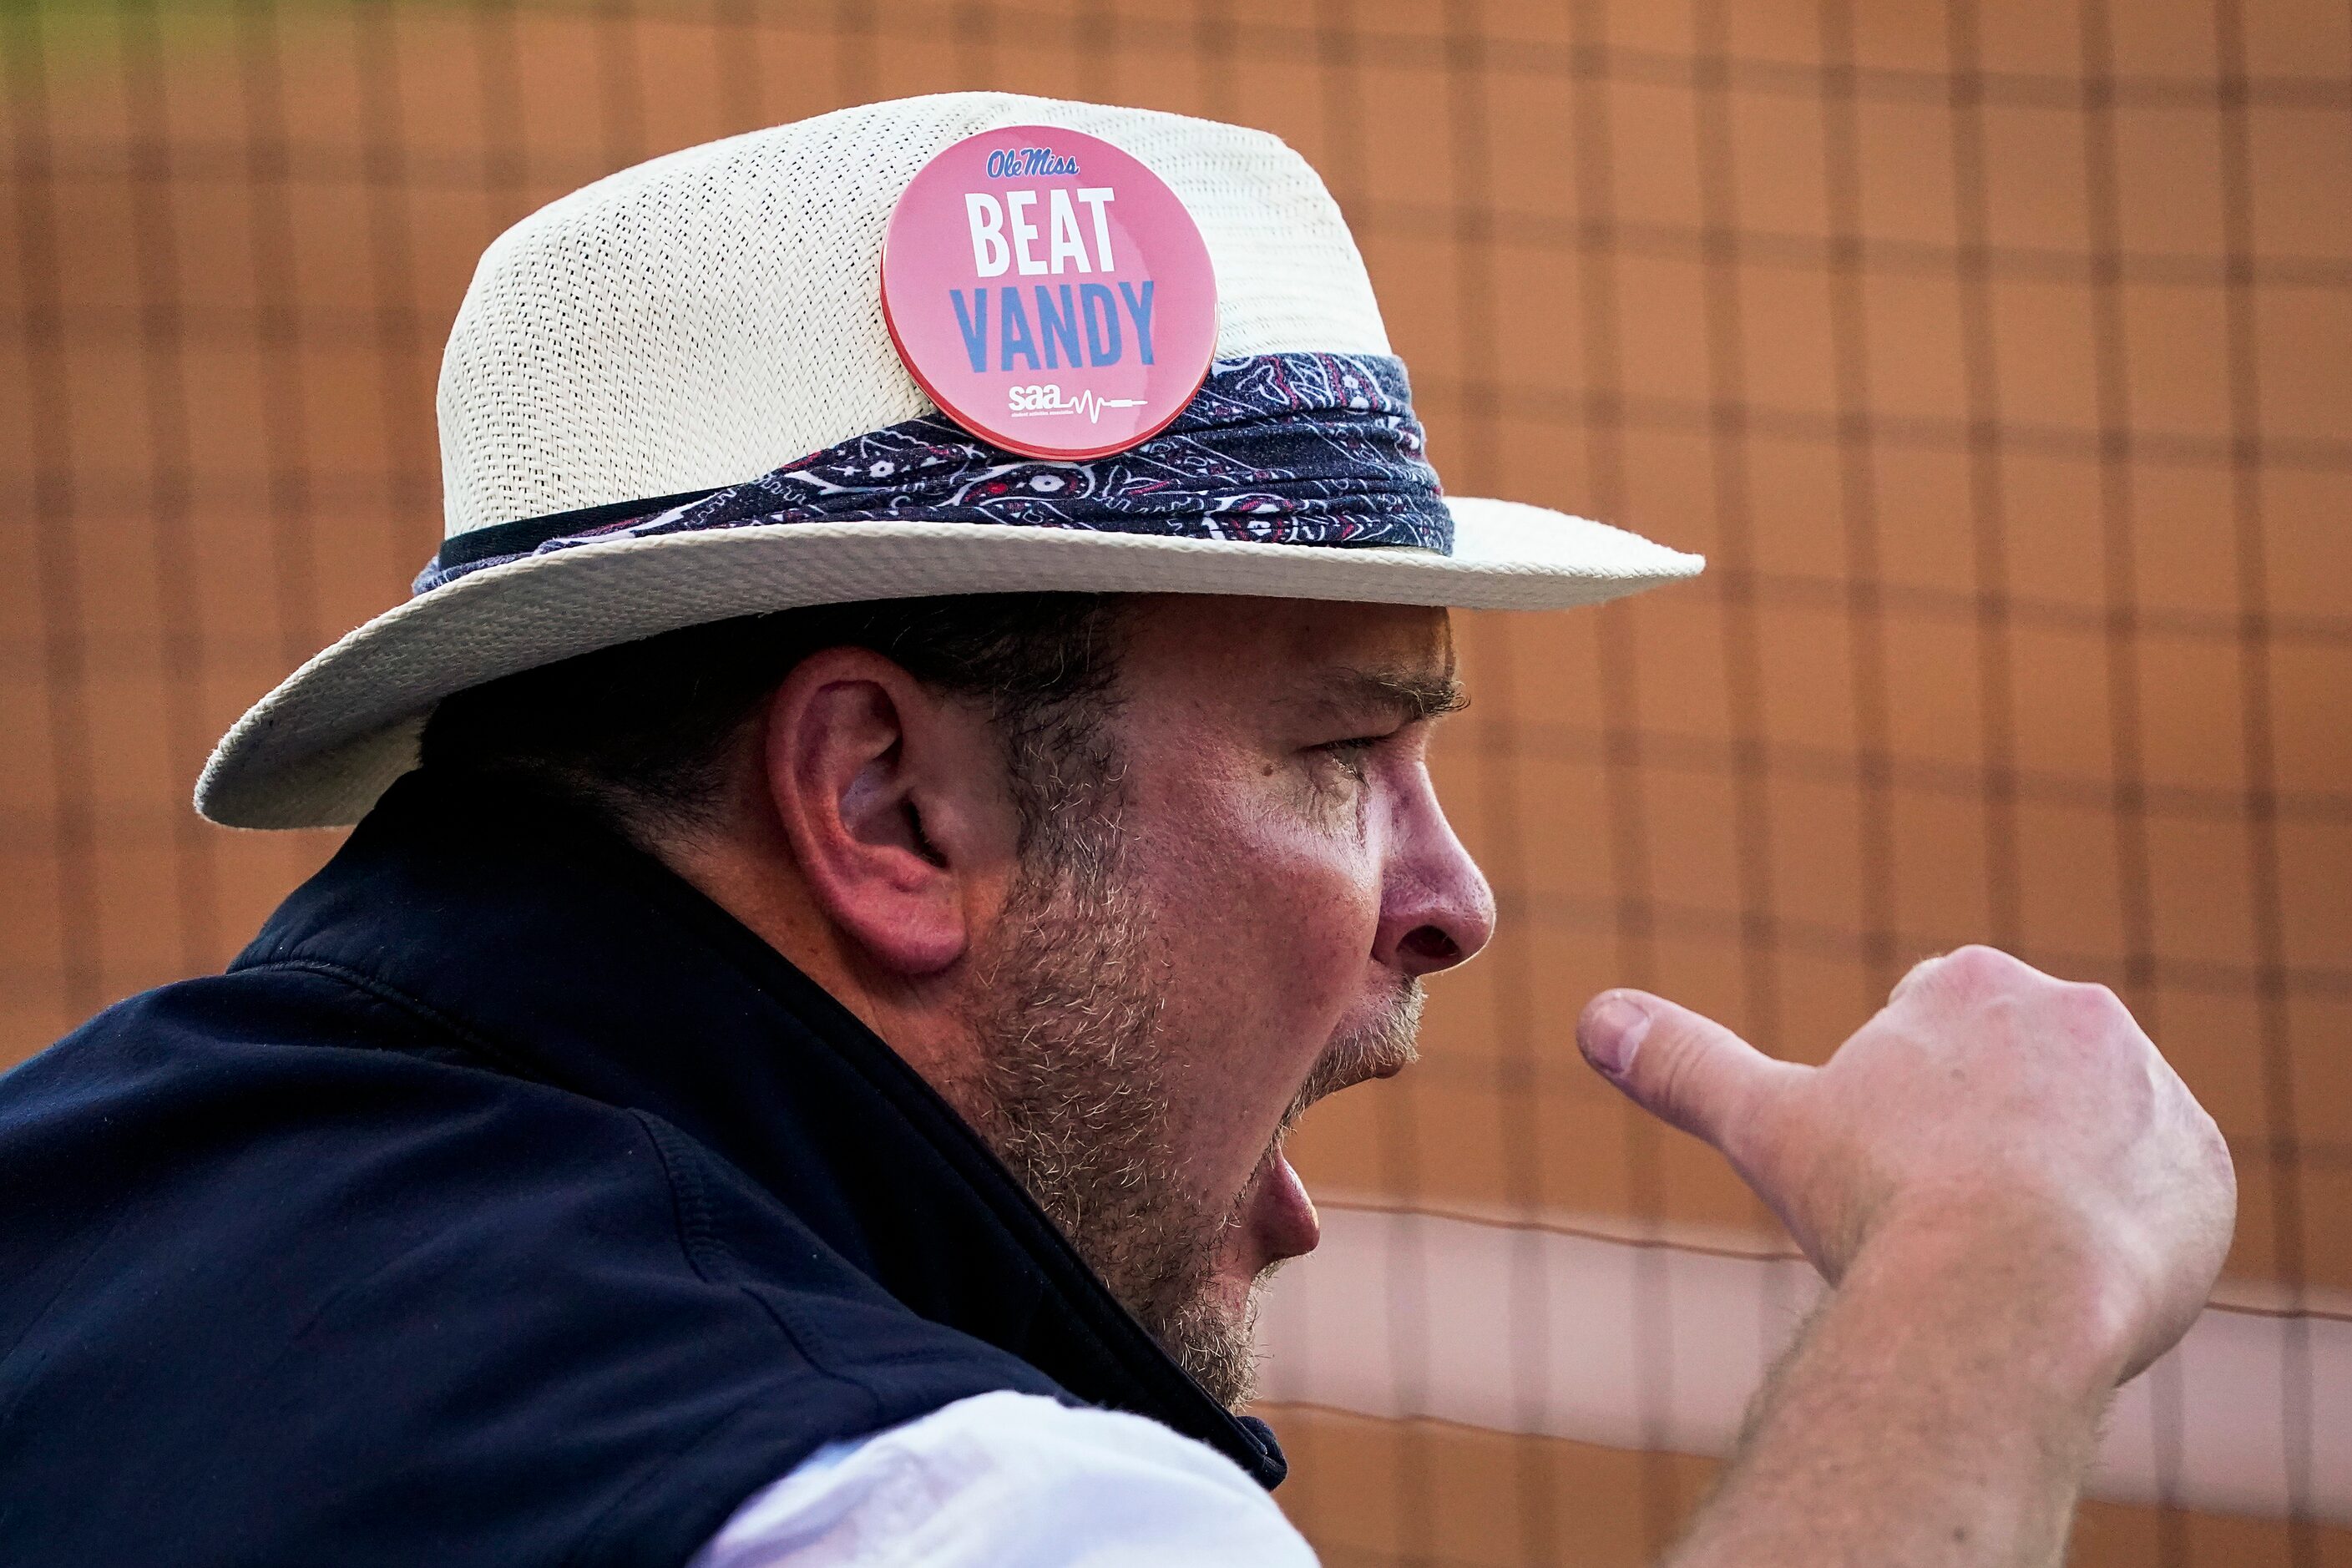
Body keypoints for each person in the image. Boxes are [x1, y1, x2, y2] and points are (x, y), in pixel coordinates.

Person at [0, 94, 2232, 1567]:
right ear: (887, 804)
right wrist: (1986, 1291)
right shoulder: (942, 1510)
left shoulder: (57, 1196)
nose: (1447, 901)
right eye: (1335, 758)